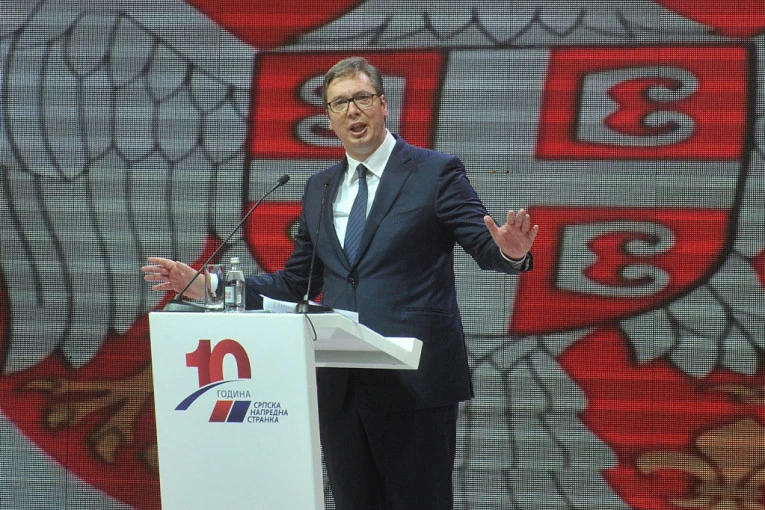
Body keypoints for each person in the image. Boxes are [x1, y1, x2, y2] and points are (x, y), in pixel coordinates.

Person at [142, 56, 538, 510]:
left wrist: (511, 251)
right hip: (341, 385)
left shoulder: (435, 172)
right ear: (329, 118)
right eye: (339, 103)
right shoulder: (320, 188)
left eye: (362, 98)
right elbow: (296, 282)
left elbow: (486, 247)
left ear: (384, 105)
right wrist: (207, 287)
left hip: (415, 381)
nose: (353, 111)